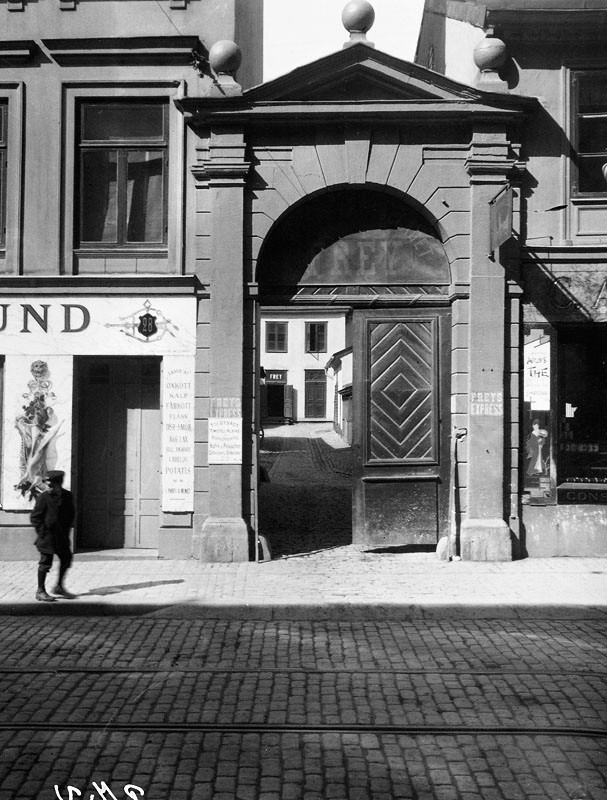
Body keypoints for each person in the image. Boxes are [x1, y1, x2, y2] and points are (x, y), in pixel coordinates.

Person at [31, 470, 76, 602]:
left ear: (59, 484)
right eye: (48, 484)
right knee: (45, 563)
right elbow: (35, 517)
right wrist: (42, 532)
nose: (49, 486)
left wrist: (66, 530)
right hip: (47, 536)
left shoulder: (67, 496)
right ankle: (40, 591)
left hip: (61, 536)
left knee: (66, 558)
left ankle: (59, 587)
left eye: (51, 484)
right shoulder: (44, 497)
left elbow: (71, 514)